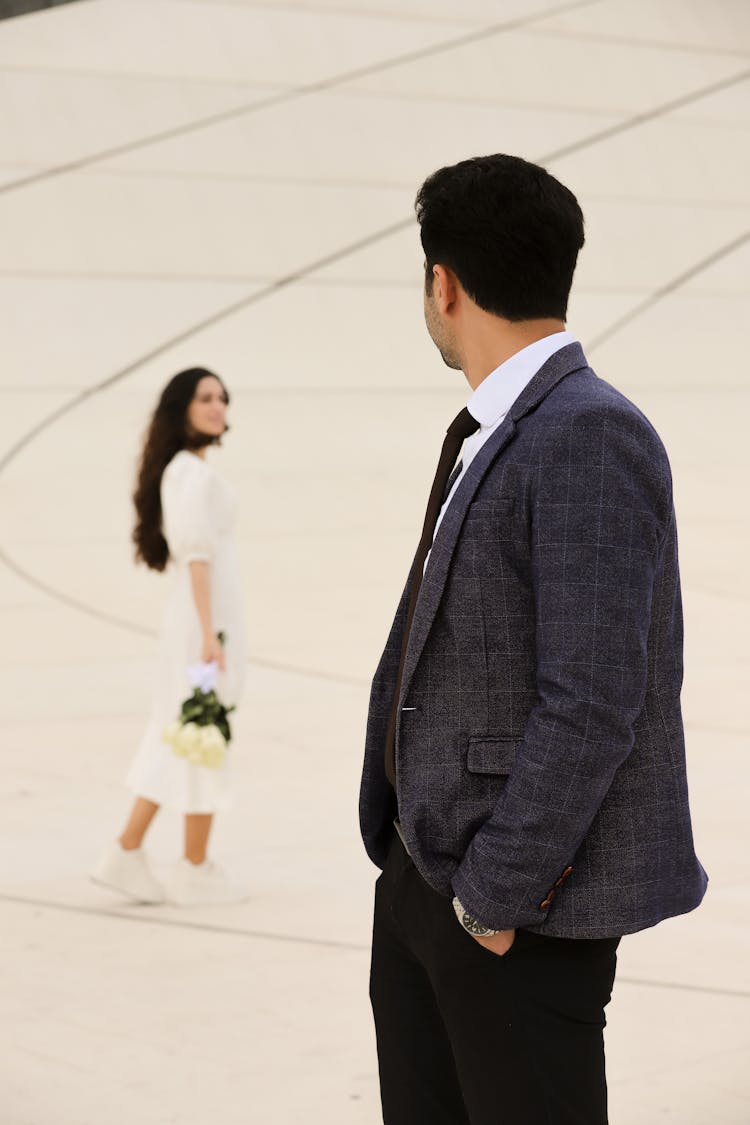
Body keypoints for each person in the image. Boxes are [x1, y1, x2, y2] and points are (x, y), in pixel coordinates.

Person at [359, 154, 707, 1125]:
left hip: (511, 909)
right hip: (425, 875)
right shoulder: (501, 424)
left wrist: (496, 896)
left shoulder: (589, 433)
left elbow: (595, 699)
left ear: (444, 283)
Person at [93, 367, 247, 906]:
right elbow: (196, 555)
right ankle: (188, 864)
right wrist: (210, 636)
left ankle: (136, 854)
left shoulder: (191, 471)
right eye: (205, 397)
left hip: (203, 626)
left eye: (222, 398)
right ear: (181, 408)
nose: (217, 405)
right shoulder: (190, 475)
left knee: (187, 734)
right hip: (201, 631)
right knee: (200, 732)